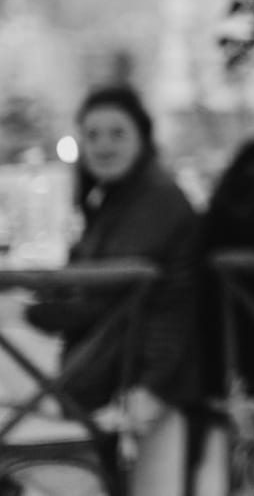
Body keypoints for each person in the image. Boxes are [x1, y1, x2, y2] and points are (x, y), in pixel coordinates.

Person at [23, 85, 201, 496]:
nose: (103, 145)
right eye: (93, 134)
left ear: (142, 137)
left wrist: (26, 312)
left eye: (117, 133)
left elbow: (97, 297)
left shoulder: (156, 200)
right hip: (122, 372)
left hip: (143, 380)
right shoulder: (117, 200)